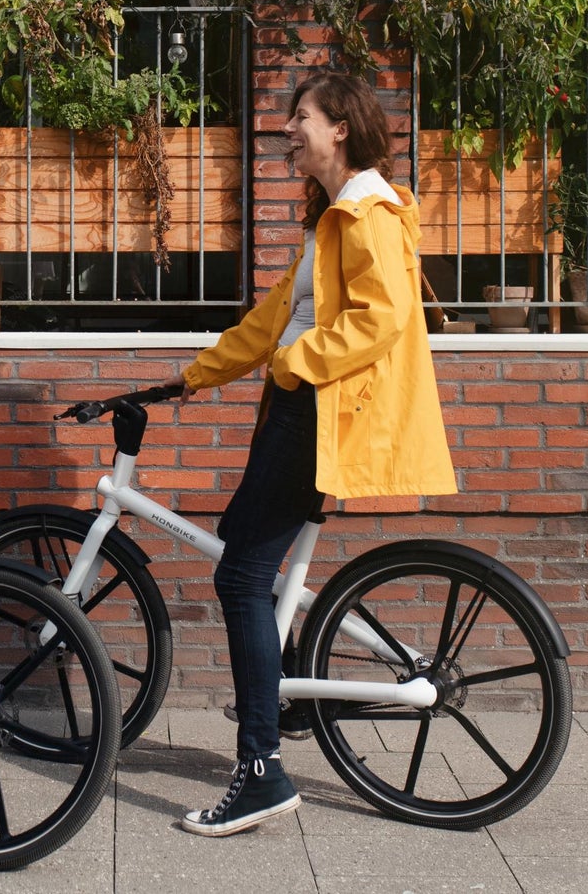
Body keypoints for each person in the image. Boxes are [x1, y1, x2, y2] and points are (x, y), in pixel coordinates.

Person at [170, 70, 459, 837]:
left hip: (316, 413)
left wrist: (296, 366)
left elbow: (384, 317)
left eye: (301, 116)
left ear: (341, 127)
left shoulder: (365, 209)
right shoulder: (332, 215)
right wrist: (193, 375)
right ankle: (286, 699)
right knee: (253, 561)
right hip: (301, 409)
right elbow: (273, 318)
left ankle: (259, 766)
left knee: (240, 574)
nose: (288, 128)